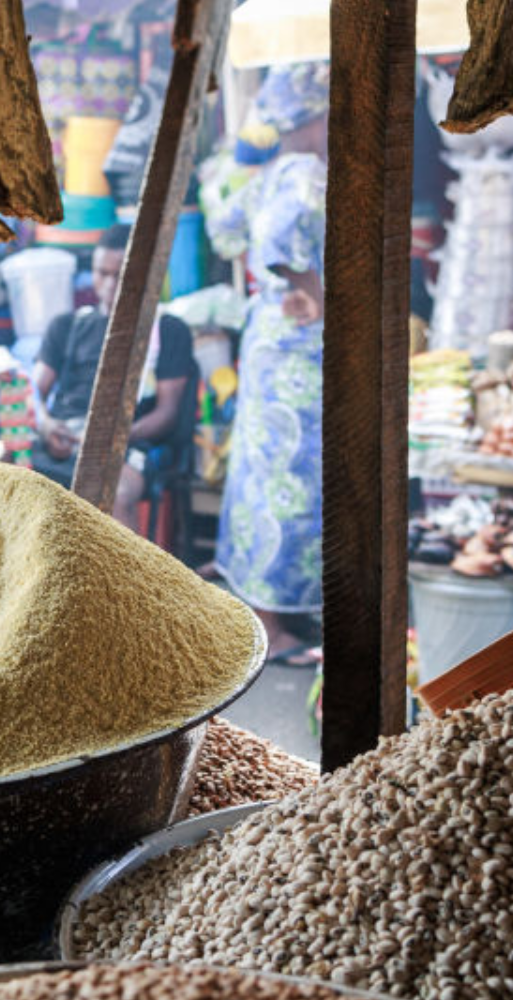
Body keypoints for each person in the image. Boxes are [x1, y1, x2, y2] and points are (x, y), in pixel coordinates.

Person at [213, 63, 330, 664]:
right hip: (298, 344)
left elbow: (225, 233)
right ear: (312, 116)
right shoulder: (307, 174)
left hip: (268, 336)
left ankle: (271, 608)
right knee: (293, 474)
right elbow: (286, 254)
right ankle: (275, 622)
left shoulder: (266, 174)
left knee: (267, 472)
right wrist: (316, 289)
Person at [28, 224, 199, 534]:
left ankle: (128, 582)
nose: (107, 285)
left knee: (115, 493)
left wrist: (116, 436)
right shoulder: (65, 326)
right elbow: (32, 393)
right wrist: (46, 424)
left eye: (118, 276)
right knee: (3, 474)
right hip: (65, 438)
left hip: (125, 444)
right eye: (100, 273)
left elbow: (167, 413)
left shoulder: (168, 331)